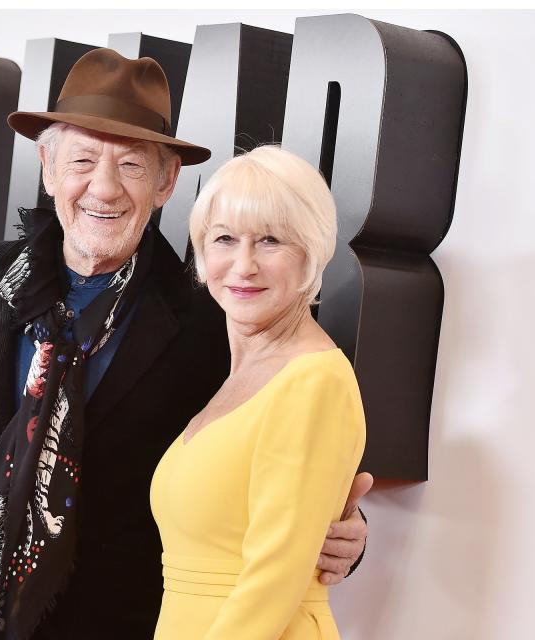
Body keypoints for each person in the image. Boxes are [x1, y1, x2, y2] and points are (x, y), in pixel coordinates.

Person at [0, 48, 370, 640]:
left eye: (131, 165)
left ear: (166, 182)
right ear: (48, 168)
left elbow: (262, 481)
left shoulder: (213, 324)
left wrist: (343, 532)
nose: (102, 189)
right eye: (81, 160)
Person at [150, 145, 365, 639]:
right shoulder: (236, 376)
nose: (243, 265)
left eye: (270, 241)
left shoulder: (314, 382)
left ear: (311, 251)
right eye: (225, 239)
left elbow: (273, 582)